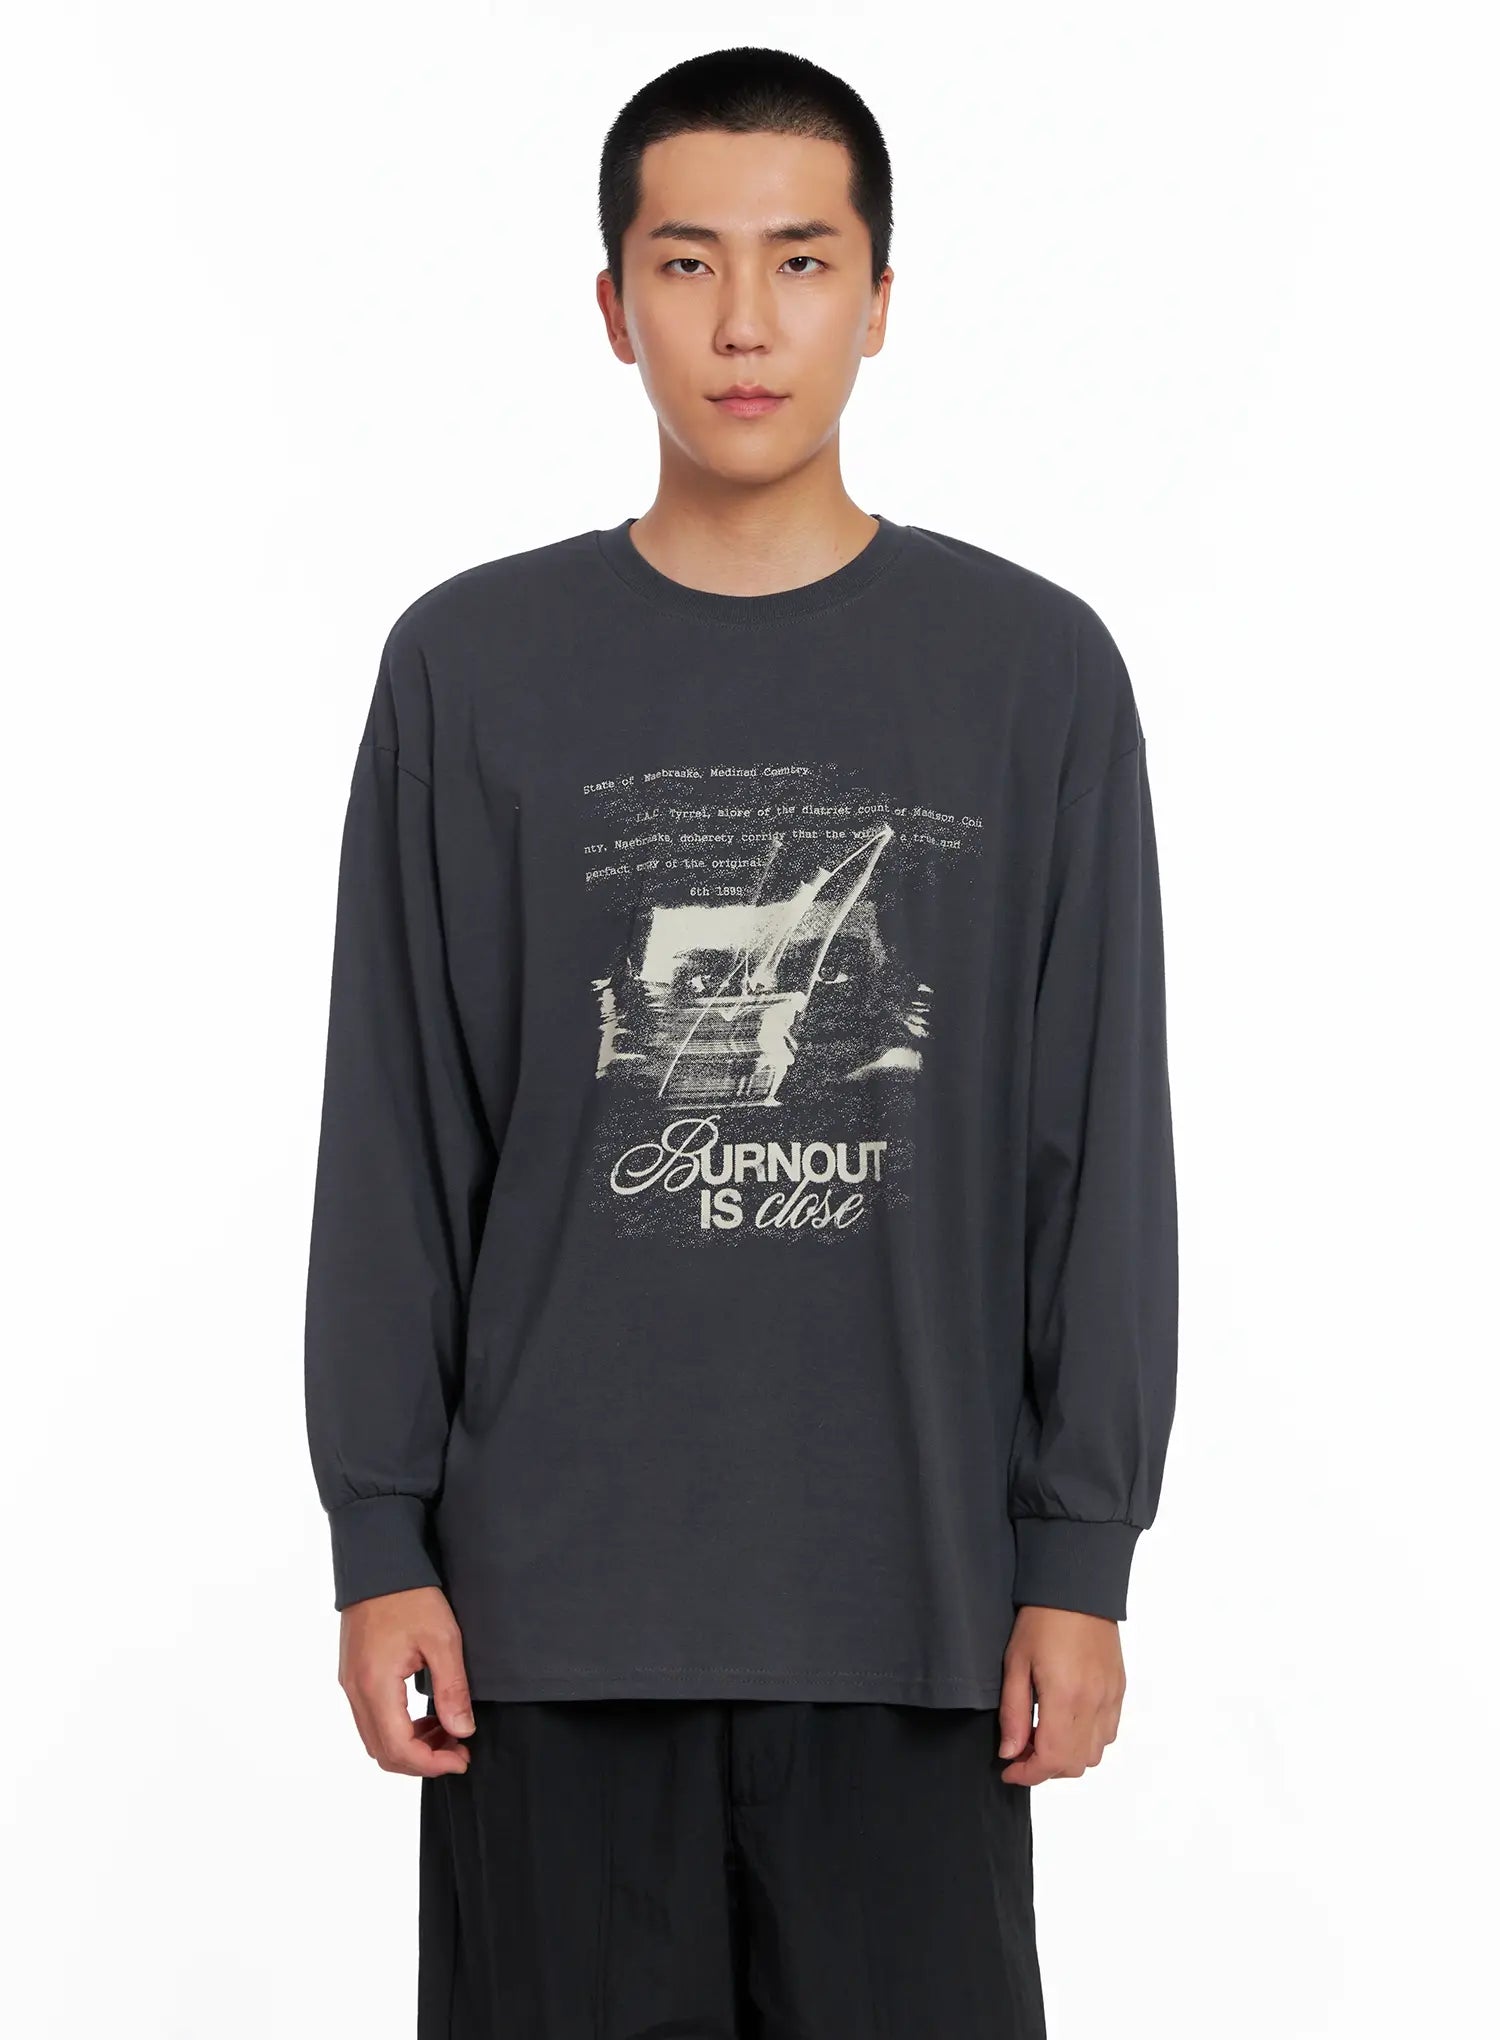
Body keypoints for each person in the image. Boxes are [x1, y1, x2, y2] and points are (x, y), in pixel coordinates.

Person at [303, 43, 1178, 2040]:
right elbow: (401, 1134)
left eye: (801, 261)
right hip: (546, 1624)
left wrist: (1081, 1553)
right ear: (615, 307)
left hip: (918, 1614)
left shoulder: (1033, 674)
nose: (746, 323)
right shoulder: (471, 668)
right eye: (688, 264)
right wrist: (377, 1535)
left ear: (880, 298)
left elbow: (1094, 1141)